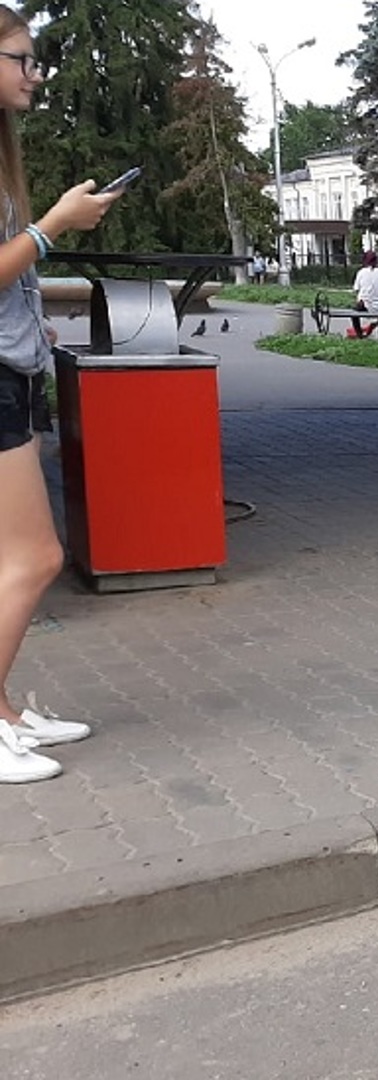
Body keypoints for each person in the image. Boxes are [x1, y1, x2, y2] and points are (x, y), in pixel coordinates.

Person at [0, 4, 121, 782]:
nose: (33, 72)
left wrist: (31, 322)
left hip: (10, 367)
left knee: (11, 558)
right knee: (39, 557)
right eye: (19, 57)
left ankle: (5, 712)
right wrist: (51, 229)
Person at [350, 250, 378, 340]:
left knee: (353, 314)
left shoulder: (361, 272)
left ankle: (359, 334)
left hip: (365, 304)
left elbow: (356, 289)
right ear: (376, 261)